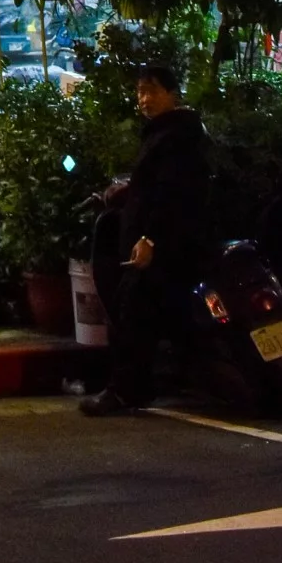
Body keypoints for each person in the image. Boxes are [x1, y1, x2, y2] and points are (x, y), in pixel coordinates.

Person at [81, 61, 210, 416]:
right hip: (154, 243)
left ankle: (125, 390)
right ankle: (153, 383)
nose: (144, 99)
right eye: (140, 91)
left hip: (162, 247)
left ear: (171, 93)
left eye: (152, 91)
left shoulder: (178, 136)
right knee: (151, 315)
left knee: (133, 313)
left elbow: (172, 193)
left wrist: (150, 240)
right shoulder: (164, 132)